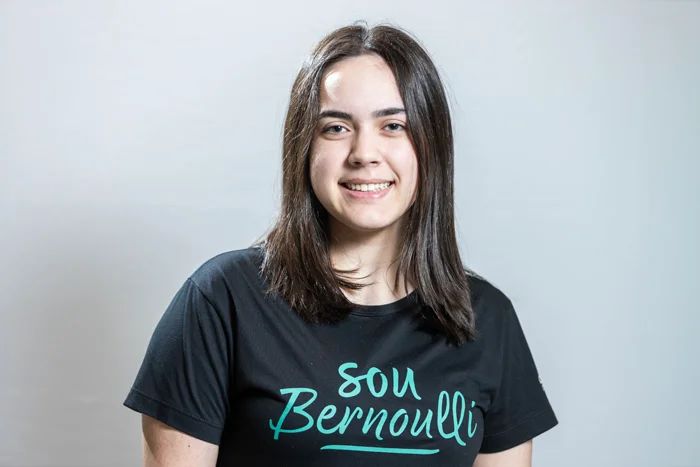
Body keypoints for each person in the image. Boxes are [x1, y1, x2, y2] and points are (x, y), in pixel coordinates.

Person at [123, 21, 558, 466]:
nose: (364, 153)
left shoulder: (487, 319)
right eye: (335, 128)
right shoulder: (222, 300)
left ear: (432, 147)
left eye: (393, 125)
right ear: (303, 148)